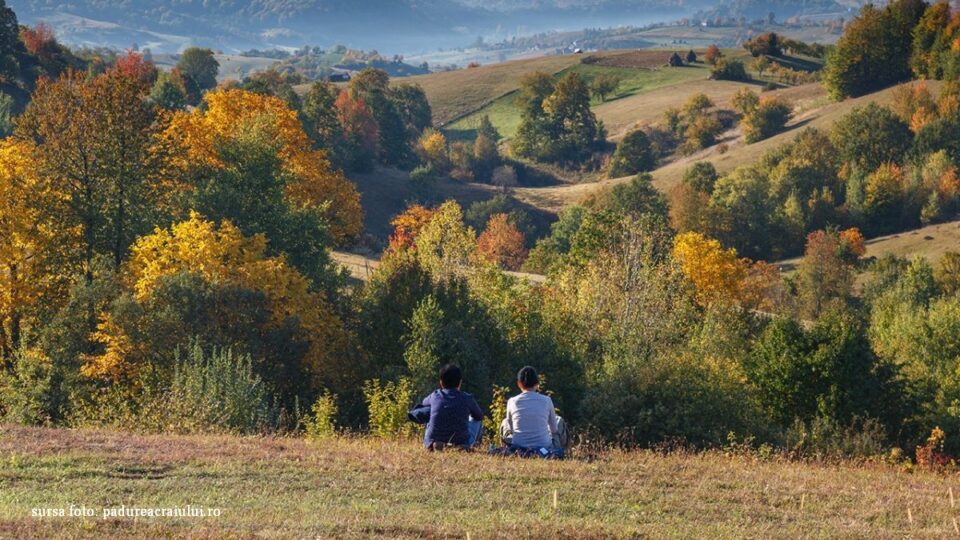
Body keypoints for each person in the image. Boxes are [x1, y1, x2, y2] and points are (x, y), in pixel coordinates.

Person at [499, 366, 566, 457]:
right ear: (537, 384)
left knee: (504, 421)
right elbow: (554, 429)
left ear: (519, 383)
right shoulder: (547, 400)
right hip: (544, 447)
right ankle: (563, 451)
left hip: (518, 446)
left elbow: (512, 429)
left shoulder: (512, 401)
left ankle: (506, 449)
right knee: (559, 420)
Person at [416, 364, 484, 450]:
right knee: (477, 421)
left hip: (435, 439)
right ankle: (462, 446)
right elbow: (479, 416)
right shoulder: (467, 398)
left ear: (441, 382)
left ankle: (432, 443)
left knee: (428, 411)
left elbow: (424, 402)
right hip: (461, 439)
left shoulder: (435, 396)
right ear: (460, 382)